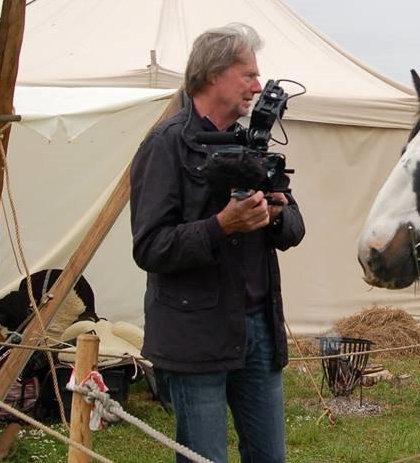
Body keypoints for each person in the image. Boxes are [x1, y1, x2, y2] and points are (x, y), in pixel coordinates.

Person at [130, 23, 305, 463]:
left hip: (259, 330)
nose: (258, 87)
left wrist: (277, 212)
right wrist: (222, 225)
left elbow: (295, 229)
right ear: (213, 75)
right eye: (247, 74)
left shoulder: (254, 144)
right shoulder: (166, 145)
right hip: (195, 335)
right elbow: (150, 246)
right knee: (204, 458)